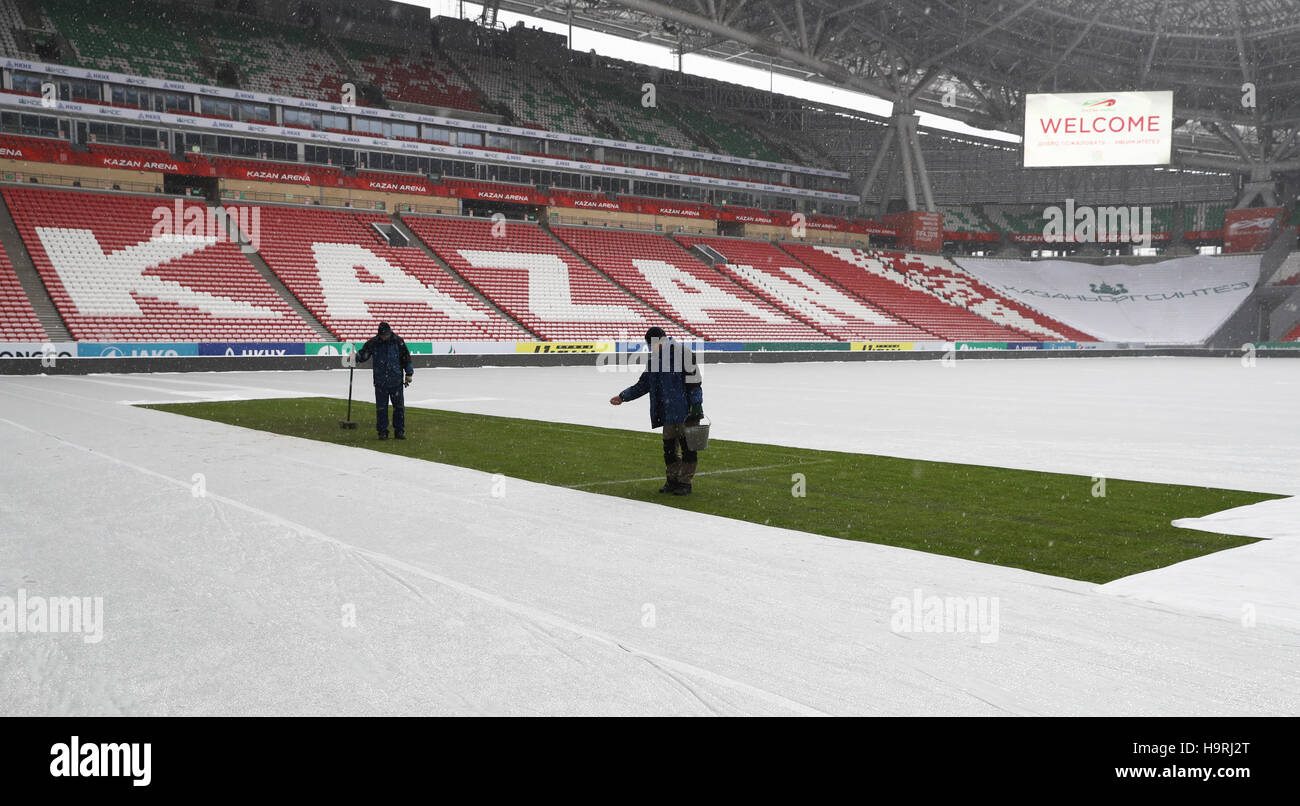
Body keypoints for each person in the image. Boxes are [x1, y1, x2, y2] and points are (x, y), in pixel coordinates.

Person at [609, 327, 703, 495]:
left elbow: (695, 382)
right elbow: (643, 384)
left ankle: (685, 483)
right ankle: (672, 481)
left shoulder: (683, 353)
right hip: (667, 413)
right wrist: (623, 396)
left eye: (651, 345)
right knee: (669, 450)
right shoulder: (654, 361)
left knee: (688, 449)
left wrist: (696, 406)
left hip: (685, 411)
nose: (650, 348)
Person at [356, 321, 413, 440]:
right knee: (381, 408)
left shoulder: (398, 341)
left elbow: (406, 358)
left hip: (396, 381)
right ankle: (382, 432)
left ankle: (399, 431)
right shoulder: (373, 343)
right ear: (379, 334)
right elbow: (364, 355)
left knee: (399, 408)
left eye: (386, 335)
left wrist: (409, 373)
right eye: (383, 335)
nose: (385, 337)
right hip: (380, 382)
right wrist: (355, 357)